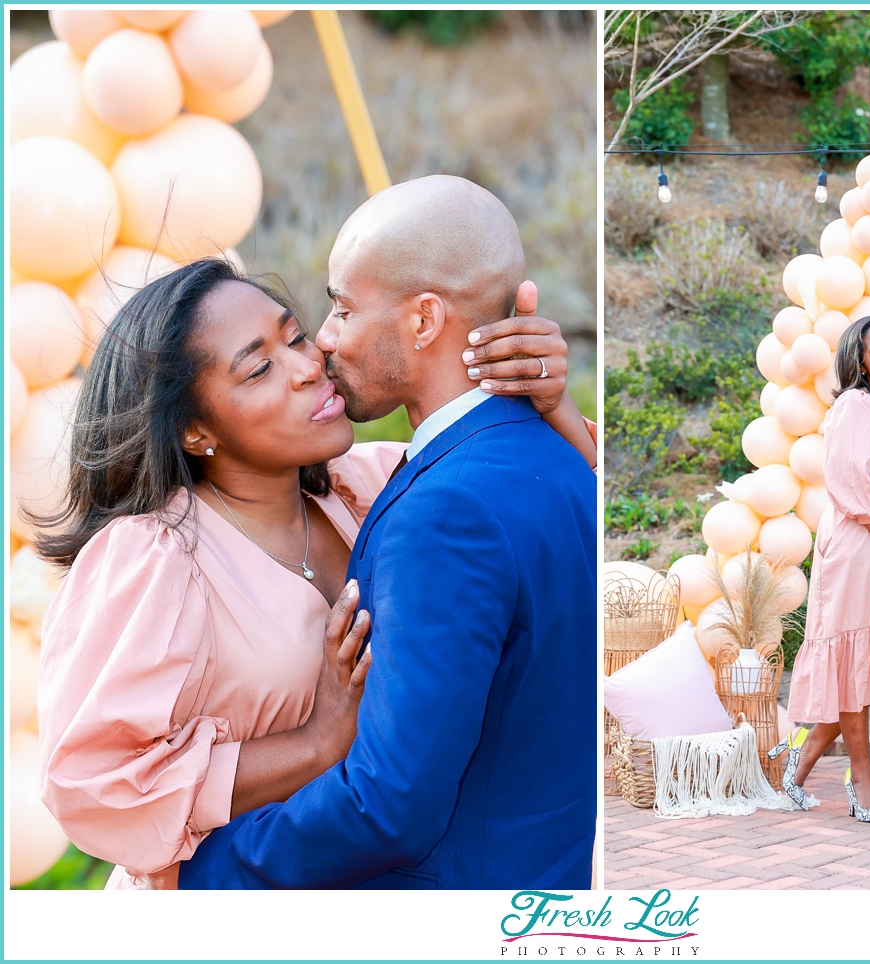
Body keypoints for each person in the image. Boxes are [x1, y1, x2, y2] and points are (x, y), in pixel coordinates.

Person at [38, 249, 595, 886]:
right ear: (195, 431)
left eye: (297, 334)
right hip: (223, 896)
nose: (309, 367)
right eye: (259, 369)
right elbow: (94, 783)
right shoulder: (155, 556)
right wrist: (316, 742)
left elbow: (548, 503)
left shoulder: (370, 485)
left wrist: (549, 398)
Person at [176, 175, 597, 889]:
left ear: (425, 320)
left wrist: (208, 871)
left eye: (342, 308)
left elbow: (390, 805)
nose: (326, 342)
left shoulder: (445, 513)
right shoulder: (566, 460)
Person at [780, 315, 870, 824]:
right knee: (853, 660)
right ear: (860, 364)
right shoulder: (855, 406)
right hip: (861, 543)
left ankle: (794, 766)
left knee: (861, 664)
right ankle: (861, 778)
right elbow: (853, 485)